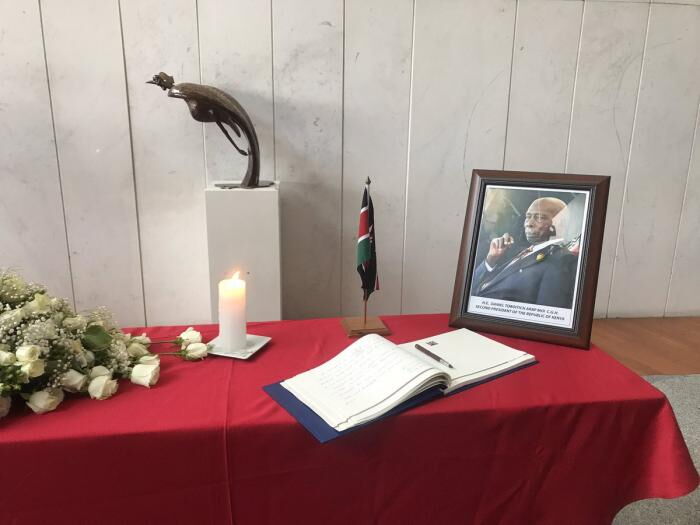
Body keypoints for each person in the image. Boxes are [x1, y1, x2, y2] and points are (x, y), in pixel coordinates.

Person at [471, 197, 578, 309]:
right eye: (528, 217)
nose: (529, 223)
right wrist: (490, 260)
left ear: (560, 223)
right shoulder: (513, 252)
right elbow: (472, 287)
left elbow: (546, 314)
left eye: (540, 217)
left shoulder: (562, 260)